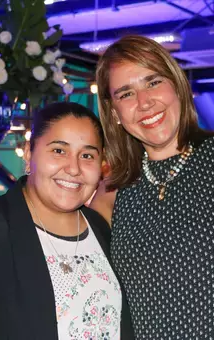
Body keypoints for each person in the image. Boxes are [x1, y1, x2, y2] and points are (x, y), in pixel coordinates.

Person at [0, 102, 134, 340]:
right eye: (58, 150)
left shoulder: (101, 229)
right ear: (30, 152)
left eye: (87, 155)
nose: (73, 168)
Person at [91, 34, 214, 339]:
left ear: (177, 85)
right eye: (126, 94)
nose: (144, 103)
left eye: (153, 82)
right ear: (114, 112)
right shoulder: (113, 191)